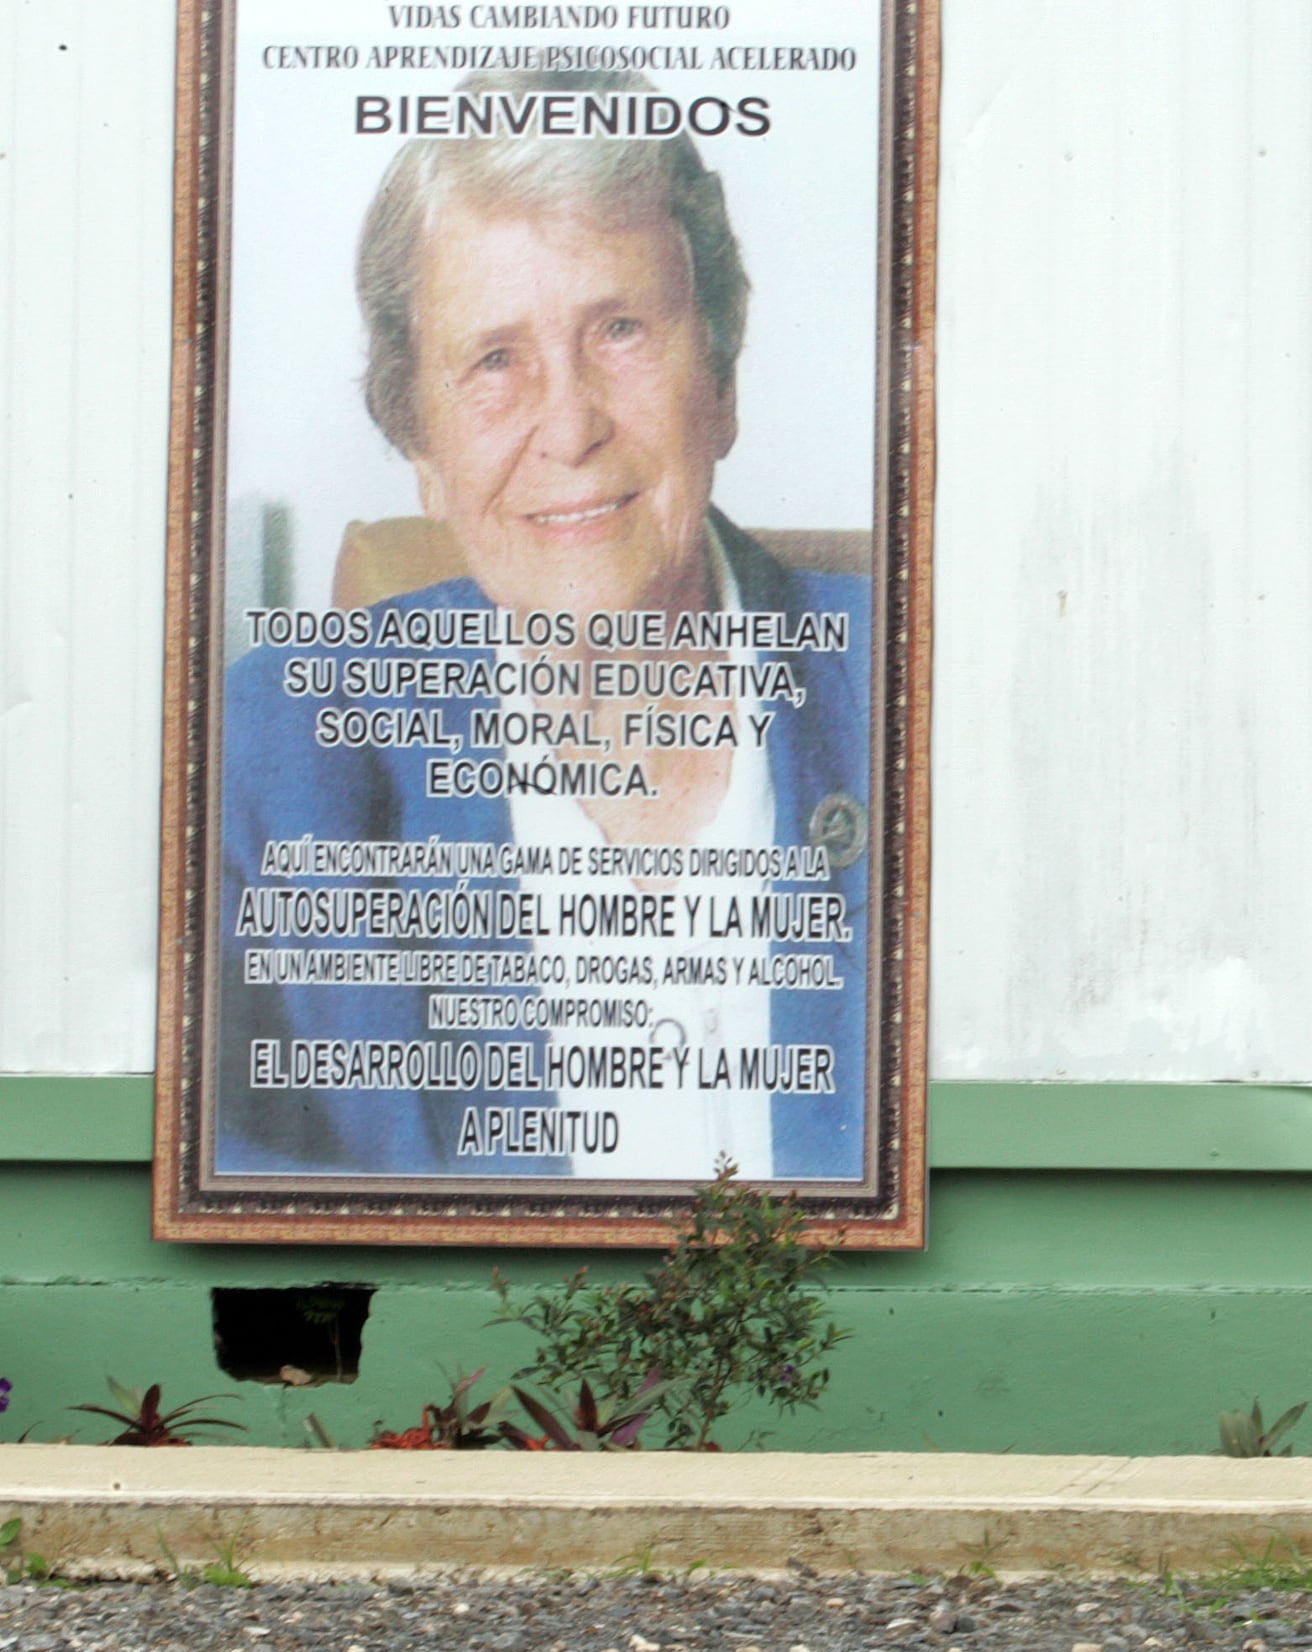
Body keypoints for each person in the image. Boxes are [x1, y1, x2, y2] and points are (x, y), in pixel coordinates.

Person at [216, 71, 873, 1181]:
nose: (567, 426)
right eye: (493, 360)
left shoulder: (925, 694)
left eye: (619, 330)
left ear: (719, 377)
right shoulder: (270, 752)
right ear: (421, 446)